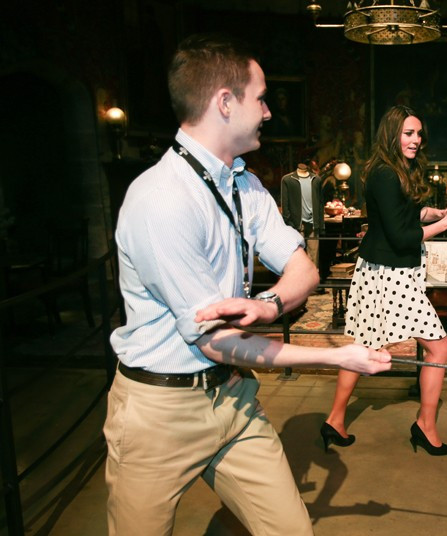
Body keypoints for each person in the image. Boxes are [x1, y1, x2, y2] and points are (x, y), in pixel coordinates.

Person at [103, 34, 391, 536]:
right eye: (260, 98)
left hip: (234, 398)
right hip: (159, 413)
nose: (268, 112)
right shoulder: (161, 200)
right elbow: (217, 342)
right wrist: (337, 357)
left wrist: (270, 303)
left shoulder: (245, 184)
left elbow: (304, 269)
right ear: (224, 102)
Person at [322, 105, 447, 456]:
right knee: (439, 348)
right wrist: (444, 226)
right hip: (390, 273)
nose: (416, 140)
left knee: (365, 346)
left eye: (418, 134)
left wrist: (438, 213)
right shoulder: (385, 174)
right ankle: (425, 426)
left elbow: (406, 214)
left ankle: (334, 421)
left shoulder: (397, 169)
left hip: (382, 268)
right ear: (392, 134)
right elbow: (402, 237)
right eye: (408, 133)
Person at [281, 162, 324, 270]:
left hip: (313, 223)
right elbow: (285, 203)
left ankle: (312, 278)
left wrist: (321, 223)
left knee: (313, 256)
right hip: (296, 224)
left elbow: (320, 203)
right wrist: (288, 222)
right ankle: (298, 277)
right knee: (297, 255)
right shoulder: (288, 180)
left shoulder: (316, 179)